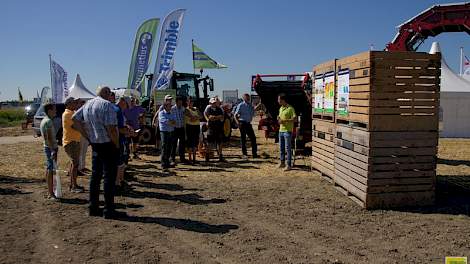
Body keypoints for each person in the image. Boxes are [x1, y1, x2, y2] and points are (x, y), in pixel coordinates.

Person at [72, 86, 124, 219]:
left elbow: (75, 120)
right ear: (107, 93)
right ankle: (109, 210)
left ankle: (93, 207)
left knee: (95, 177)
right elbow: (111, 129)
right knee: (109, 177)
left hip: (95, 144)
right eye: (110, 93)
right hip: (108, 144)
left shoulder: (88, 104)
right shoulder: (107, 106)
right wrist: (117, 144)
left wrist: (88, 136)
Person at [62, 97, 84, 193]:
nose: (76, 104)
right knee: (75, 165)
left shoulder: (71, 113)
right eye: (74, 103)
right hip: (71, 142)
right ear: (69, 104)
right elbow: (75, 126)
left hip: (74, 141)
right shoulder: (68, 114)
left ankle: (73, 184)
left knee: (74, 164)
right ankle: (73, 186)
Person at [40, 103, 58, 200]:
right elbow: (49, 138)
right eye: (54, 109)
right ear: (49, 110)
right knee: (50, 170)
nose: (56, 111)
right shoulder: (48, 122)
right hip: (50, 148)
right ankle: (51, 193)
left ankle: (49, 192)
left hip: (47, 147)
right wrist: (52, 150)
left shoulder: (44, 120)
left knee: (49, 169)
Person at [234, 93, 258, 160]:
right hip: (242, 123)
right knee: (243, 139)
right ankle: (244, 154)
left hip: (248, 123)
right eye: (247, 97)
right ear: (244, 98)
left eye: (248, 97)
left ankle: (254, 154)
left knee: (253, 138)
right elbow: (235, 115)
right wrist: (238, 123)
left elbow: (253, 112)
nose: (248, 98)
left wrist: (258, 106)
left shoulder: (250, 105)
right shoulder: (241, 105)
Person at [277, 93, 296, 171]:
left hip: (287, 131)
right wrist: (278, 119)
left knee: (288, 149)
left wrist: (285, 121)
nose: (278, 101)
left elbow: (295, 119)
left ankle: (288, 165)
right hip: (281, 131)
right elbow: (279, 118)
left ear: (283, 100)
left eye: (279, 99)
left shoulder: (290, 108)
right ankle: (282, 163)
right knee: (281, 148)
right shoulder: (281, 108)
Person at [115, 96, 130, 190]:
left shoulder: (117, 110)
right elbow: (117, 128)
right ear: (123, 102)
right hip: (118, 140)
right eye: (127, 106)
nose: (126, 108)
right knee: (119, 163)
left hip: (120, 139)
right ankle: (117, 183)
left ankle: (120, 181)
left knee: (120, 162)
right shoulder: (117, 111)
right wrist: (127, 131)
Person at [158, 96, 176, 171]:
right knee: (164, 147)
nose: (170, 107)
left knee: (169, 147)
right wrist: (170, 122)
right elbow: (166, 121)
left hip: (171, 131)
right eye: (169, 106)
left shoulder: (172, 113)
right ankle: (163, 163)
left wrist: (170, 122)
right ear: (165, 106)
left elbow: (174, 122)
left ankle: (167, 162)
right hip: (164, 132)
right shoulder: (161, 113)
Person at [204, 97, 225, 161]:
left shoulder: (219, 109)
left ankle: (220, 156)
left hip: (218, 128)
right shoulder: (209, 109)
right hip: (211, 128)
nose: (214, 104)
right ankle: (207, 156)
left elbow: (221, 117)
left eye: (215, 103)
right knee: (209, 143)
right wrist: (215, 118)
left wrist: (214, 117)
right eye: (213, 103)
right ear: (210, 103)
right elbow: (209, 117)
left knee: (220, 142)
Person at [171, 96, 187, 164]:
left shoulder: (183, 108)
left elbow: (184, 117)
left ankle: (182, 158)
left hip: (181, 128)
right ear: (176, 102)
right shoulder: (172, 109)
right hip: (175, 129)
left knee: (182, 144)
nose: (181, 104)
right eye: (179, 102)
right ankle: (172, 159)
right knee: (174, 144)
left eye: (181, 102)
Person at [185, 97, 201, 164]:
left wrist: (196, 118)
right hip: (190, 127)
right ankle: (190, 158)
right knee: (190, 143)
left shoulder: (196, 108)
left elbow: (201, 116)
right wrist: (196, 118)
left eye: (192, 101)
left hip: (196, 127)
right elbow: (191, 117)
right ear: (187, 102)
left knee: (195, 143)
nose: (191, 103)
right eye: (189, 101)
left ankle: (194, 158)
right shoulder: (186, 109)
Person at [77, 99, 89, 174]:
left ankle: (83, 166)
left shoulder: (86, 112)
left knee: (84, 151)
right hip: (80, 134)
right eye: (81, 104)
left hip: (86, 133)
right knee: (80, 151)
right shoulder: (77, 113)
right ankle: (79, 167)